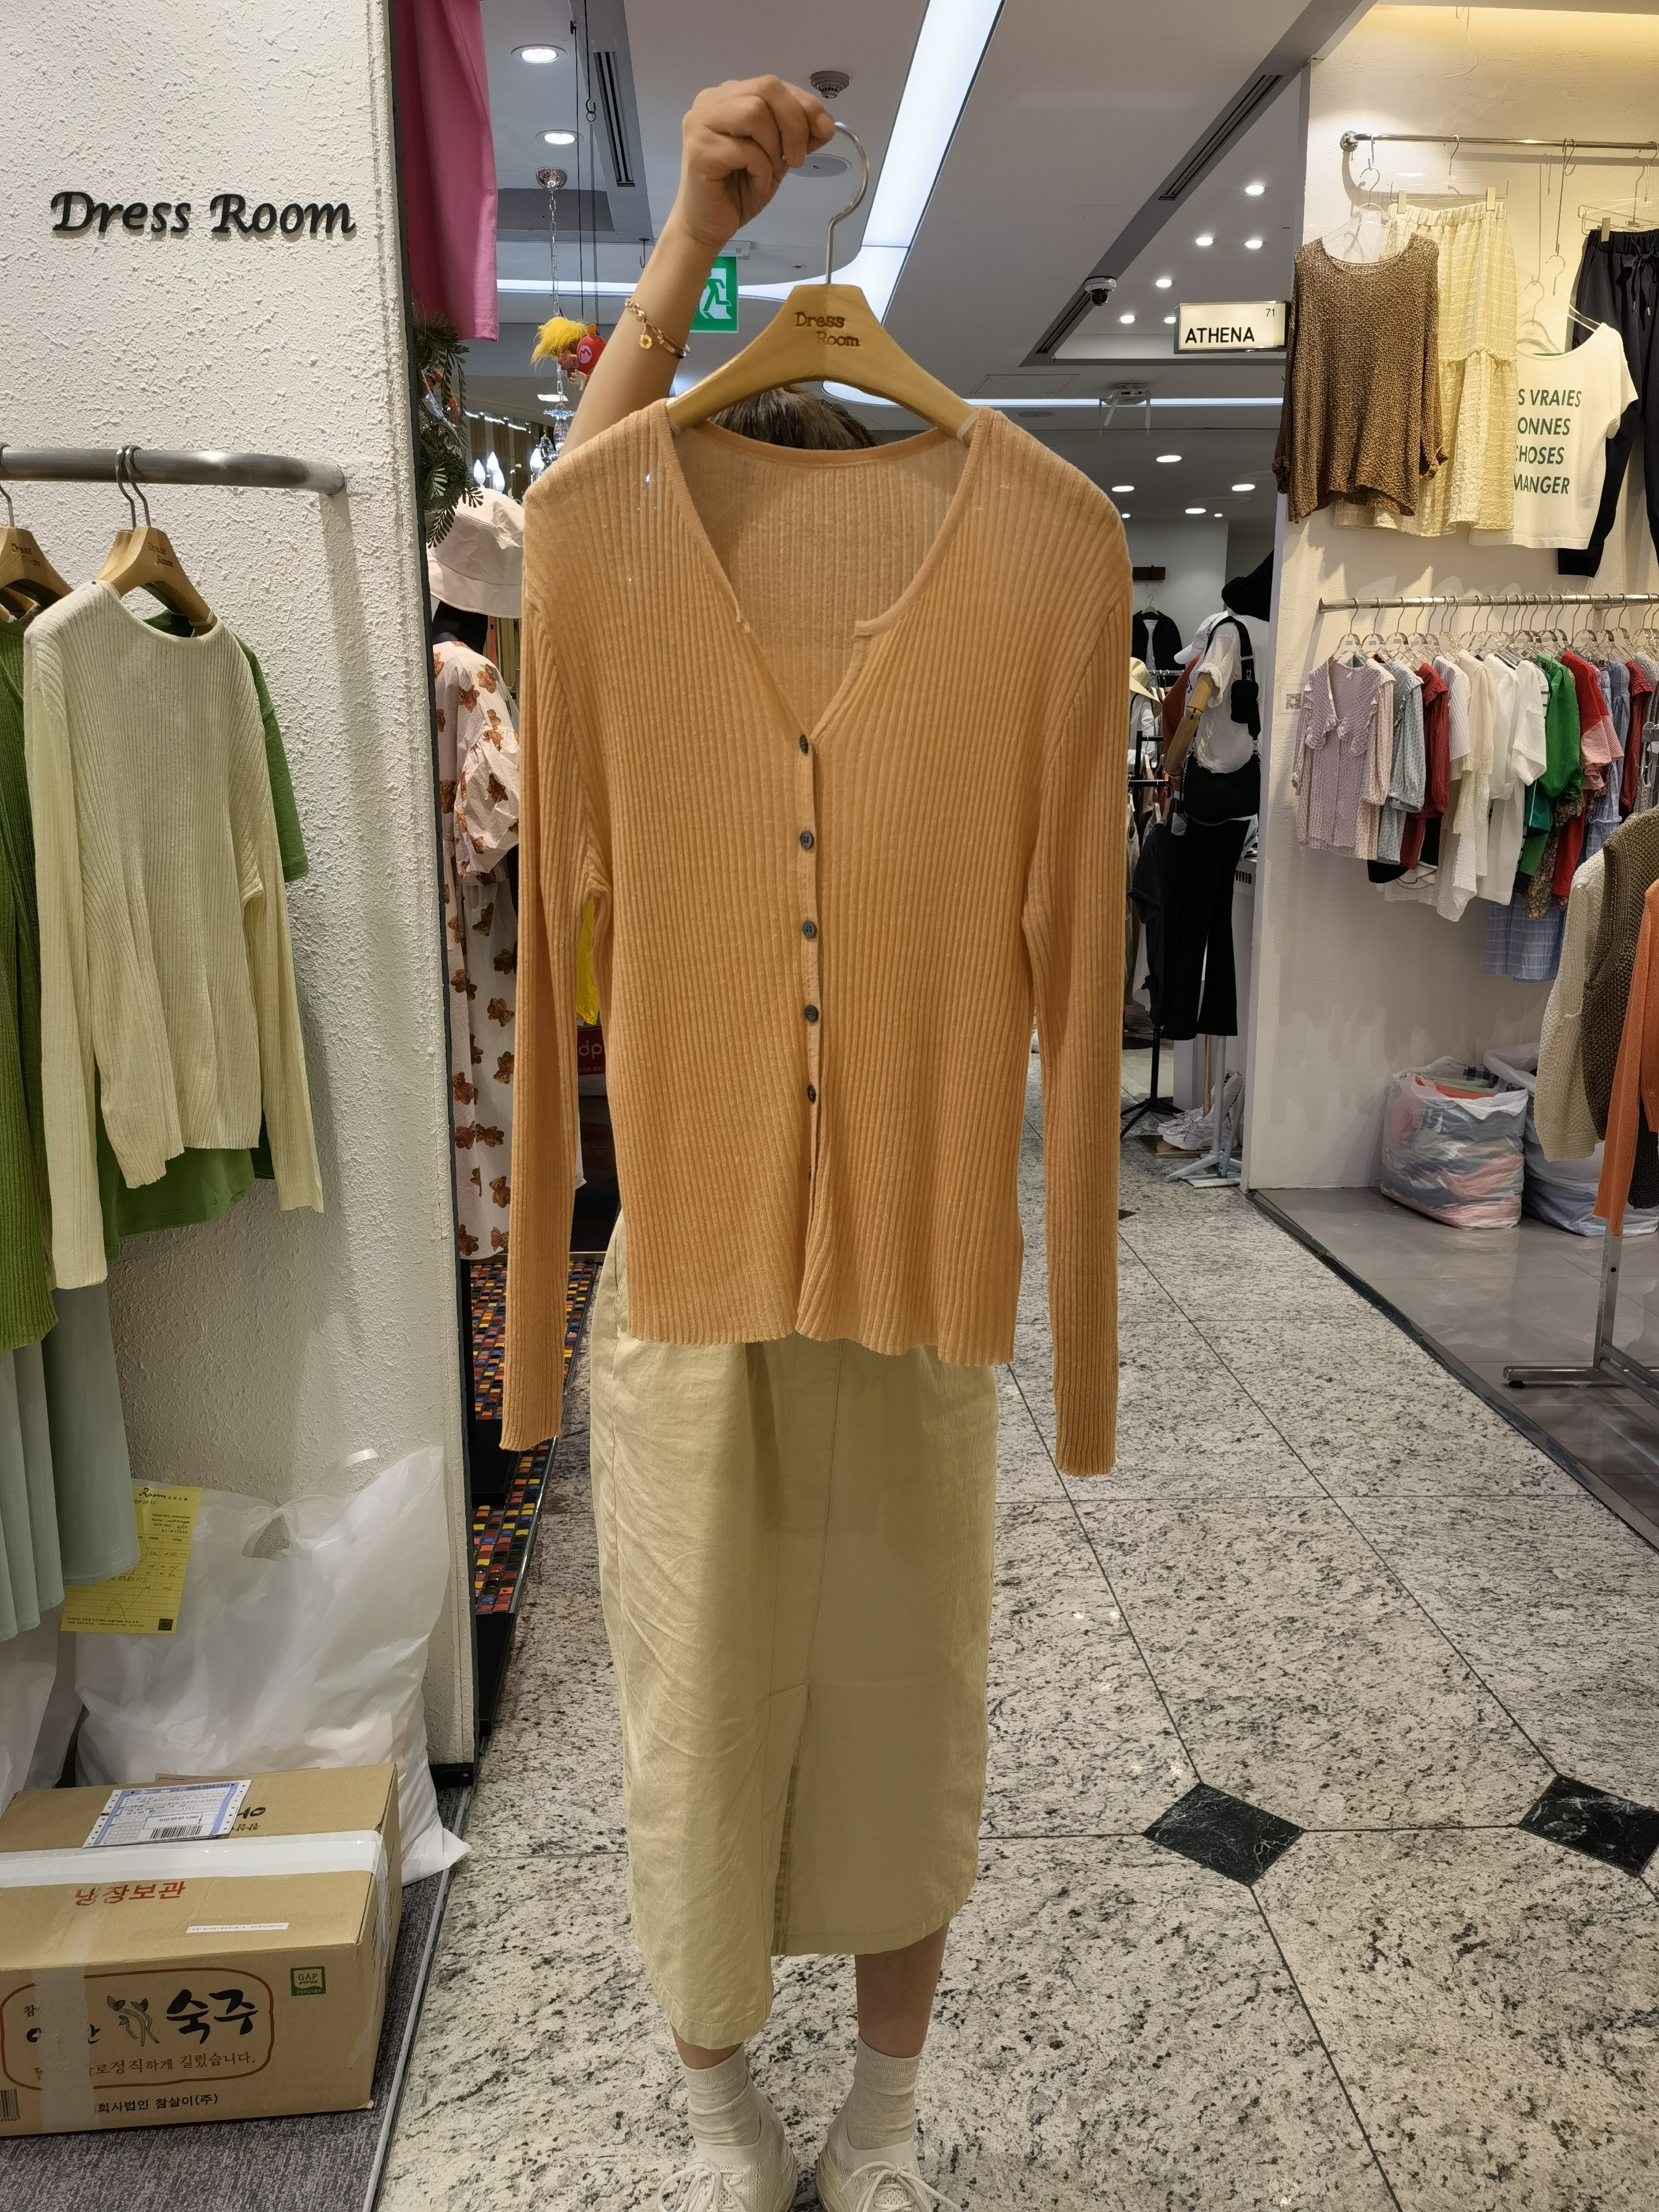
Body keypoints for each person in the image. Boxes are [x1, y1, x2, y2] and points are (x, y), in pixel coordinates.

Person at [550, 77, 982, 2212]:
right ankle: (727, 2112)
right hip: (699, 1281)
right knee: (697, 1728)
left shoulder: (964, 680)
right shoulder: (639, 683)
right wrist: (690, 248)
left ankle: (881, 2120)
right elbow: (576, 533)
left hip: (902, 1284)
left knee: (902, 1711)